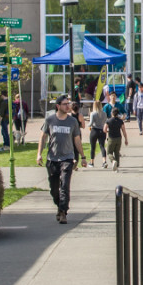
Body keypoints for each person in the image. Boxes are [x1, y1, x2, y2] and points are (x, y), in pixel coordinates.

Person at [36, 95, 86, 224]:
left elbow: (77, 140)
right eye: (65, 104)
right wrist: (39, 154)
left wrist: (83, 156)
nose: (68, 106)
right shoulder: (50, 120)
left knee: (64, 185)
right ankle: (59, 206)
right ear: (58, 106)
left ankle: (63, 212)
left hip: (67, 158)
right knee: (54, 189)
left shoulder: (73, 122)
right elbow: (43, 137)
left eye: (68, 104)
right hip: (52, 159)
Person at [88, 102, 108, 167]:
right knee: (102, 146)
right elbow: (105, 122)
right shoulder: (104, 114)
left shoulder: (93, 113)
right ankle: (104, 161)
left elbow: (90, 123)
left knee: (93, 147)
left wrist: (87, 124)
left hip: (94, 130)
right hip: (102, 130)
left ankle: (92, 162)